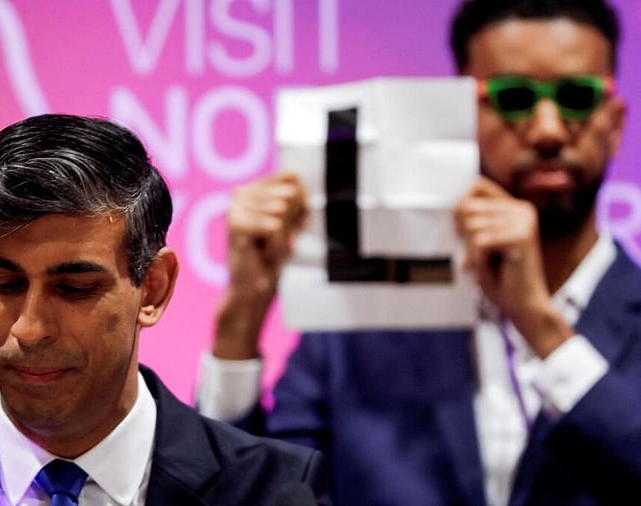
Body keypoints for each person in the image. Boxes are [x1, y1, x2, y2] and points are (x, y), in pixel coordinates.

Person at [197, 1, 641, 505]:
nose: (547, 130)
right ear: (460, 117)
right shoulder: (358, 321)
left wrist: (543, 329)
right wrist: (239, 323)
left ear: (615, 122)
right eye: (512, 97)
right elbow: (257, 495)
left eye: (577, 97)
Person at [0, 114, 328, 506]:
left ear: (152, 288)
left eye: (74, 288)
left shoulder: (273, 491)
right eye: (5, 283)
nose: (29, 328)